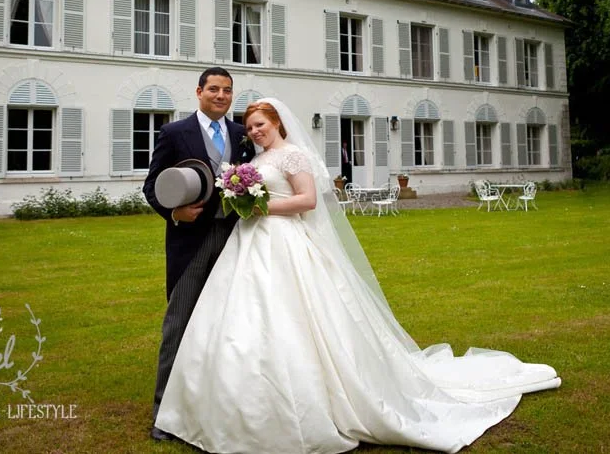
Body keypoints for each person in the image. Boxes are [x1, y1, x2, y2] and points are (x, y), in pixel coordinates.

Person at [155, 98, 561, 453]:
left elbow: (308, 201)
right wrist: (242, 199)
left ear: (277, 122)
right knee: (236, 320)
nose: (255, 131)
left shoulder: (294, 156)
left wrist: (260, 207)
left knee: (290, 318)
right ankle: (227, 404)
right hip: (248, 245)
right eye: (251, 126)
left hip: (284, 243)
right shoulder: (255, 161)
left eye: (261, 124)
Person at [142, 67, 252, 443]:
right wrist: (174, 212)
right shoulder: (174, 133)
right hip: (190, 243)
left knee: (227, 326)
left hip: (235, 239)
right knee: (179, 325)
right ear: (199, 92)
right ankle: (164, 414)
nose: (221, 96)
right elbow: (152, 185)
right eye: (214, 89)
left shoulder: (241, 134)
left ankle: (215, 405)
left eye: (227, 90)